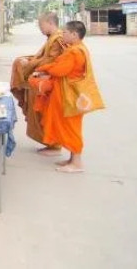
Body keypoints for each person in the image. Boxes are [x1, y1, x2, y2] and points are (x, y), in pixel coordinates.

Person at [29, 21, 105, 173]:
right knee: (67, 126)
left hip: (69, 97)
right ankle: (72, 160)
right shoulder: (77, 48)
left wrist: (42, 68)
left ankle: (77, 163)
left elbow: (59, 70)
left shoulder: (74, 52)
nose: (62, 34)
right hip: (67, 95)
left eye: (65, 32)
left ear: (74, 35)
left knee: (71, 129)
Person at [9, 13, 65, 155]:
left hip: (49, 83)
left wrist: (29, 64)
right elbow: (43, 58)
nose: (40, 28)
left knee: (47, 115)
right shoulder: (52, 38)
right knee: (19, 61)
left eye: (41, 25)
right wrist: (28, 62)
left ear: (50, 23)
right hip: (42, 79)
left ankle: (55, 145)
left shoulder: (58, 39)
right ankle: (51, 144)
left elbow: (51, 61)